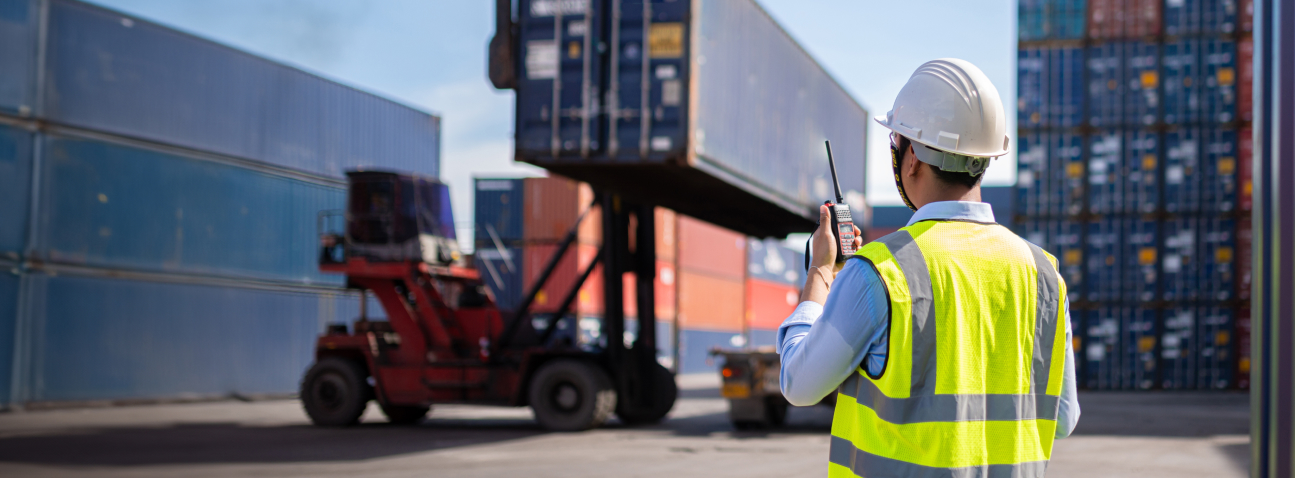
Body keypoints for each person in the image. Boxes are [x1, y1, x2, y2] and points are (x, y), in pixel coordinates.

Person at [778, 58, 1080, 477]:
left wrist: (821, 273)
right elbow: (1062, 418)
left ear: (912, 158)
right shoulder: (1044, 275)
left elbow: (799, 385)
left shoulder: (879, 273)